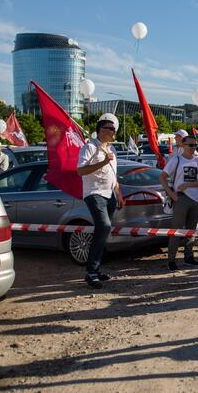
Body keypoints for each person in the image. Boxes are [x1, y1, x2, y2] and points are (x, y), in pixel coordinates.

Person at [76, 119, 124, 289]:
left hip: (110, 194)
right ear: (99, 130)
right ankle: (91, 272)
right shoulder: (89, 147)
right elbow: (81, 170)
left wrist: (118, 193)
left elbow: (113, 175)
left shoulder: (111, 149)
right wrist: (103, 161)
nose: (112, 131)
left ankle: (95, 269)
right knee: (103, 227)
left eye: (113, 129)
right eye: (109, 128)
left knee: (103, 232)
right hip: (94, 193)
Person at [160, 135, 198, 271]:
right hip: (181, 198)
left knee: (191, 231)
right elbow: (162, 177)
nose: (193, 148)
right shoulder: (176, 159)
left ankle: (188, 257)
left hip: (196, 199)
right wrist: (171, 193)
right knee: (176, 230)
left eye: (194, 145)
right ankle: (171, 259)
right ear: (183, 146)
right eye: (190, 145)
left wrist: (188, 184)